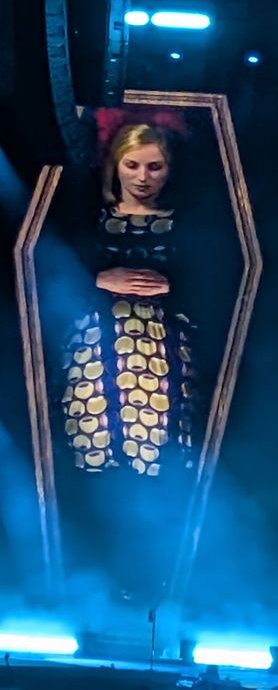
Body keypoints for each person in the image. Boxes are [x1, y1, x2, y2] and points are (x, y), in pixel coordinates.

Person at [55, 110, 200, 602]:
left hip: (162, 350)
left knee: (155, 460)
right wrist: (100, 279)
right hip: (96, 344)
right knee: (97, 453)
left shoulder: (187, 224)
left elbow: (217, 280)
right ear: (115, 165)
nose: (143, 177)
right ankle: (93, 573)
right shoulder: (86, 220)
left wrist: (174, 286)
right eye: (134, 165)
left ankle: (147, 576)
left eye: (154, 167)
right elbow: (43, 268)